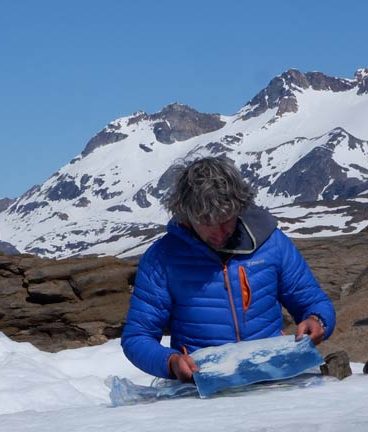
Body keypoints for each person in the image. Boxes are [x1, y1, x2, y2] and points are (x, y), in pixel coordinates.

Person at [121, 156, 336, 382]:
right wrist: (170, 362)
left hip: (275, 379)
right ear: (186, 215)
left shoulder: (272, 243)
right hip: (200, 388)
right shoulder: (162, 258)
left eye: (226, 220)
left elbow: (315, 303)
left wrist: (317, 320)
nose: (219, 232)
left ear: (239, 207)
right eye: (206, 222)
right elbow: (138, 337)